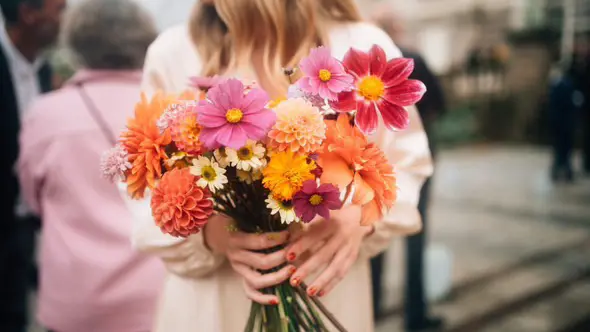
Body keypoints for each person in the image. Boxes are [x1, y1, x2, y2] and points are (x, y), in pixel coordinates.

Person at [122, 1, 433, 331]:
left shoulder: (359, 43)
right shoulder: (174, 52)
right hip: (214, 303)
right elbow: (143, 183)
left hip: (324, 283)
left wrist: (360, 216)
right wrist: (211, 234)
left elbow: (407, 163)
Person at [17, 1, 164, 331]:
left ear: (76, 41)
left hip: (76, 303)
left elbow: (32, 200)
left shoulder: (45, 114)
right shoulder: (169, 110)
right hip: (157, 297)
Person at [372, 12, 446, 331]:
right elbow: (440, 104)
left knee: (373, 232)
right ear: (396, 30)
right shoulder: (413, 59)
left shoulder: (367, 65)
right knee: (415, 234)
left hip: (374, 160)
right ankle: (415, 316)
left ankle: (371, 309)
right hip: (413, 159)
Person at [0, 0, 64, 331]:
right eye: (59, 9)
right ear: (29, 14)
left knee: (15, 314)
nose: (64, 19)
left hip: (24, 223)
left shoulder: (42, 73)